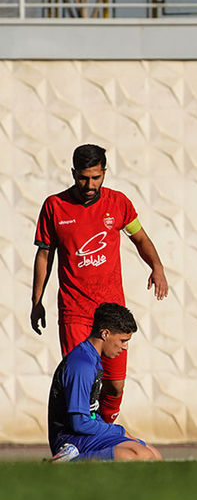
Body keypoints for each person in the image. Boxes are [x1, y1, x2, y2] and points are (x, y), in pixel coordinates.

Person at [31, 143, 169, 424]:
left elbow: (140, 238)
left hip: (111, 311)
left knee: (114, 385)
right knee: (80, 378)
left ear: (104, 172)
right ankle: (76, 439)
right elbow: (44, 254)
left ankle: (103, 432)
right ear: (73, 173)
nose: (90, 184)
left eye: (96, 177)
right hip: (75, 309)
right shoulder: (55, 207)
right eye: (83, 177)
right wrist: (36, 302)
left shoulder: (118, 204)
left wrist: (157, 266)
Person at [47, 303, 162, 462]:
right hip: (71, 439)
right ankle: (67, 461)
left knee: (153, 453)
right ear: (105, 334)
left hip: (86, 434)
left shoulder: (93, 359)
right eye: (122, 340)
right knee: (140, 455)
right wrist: (118, 431)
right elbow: (79, 423)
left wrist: (118, 432)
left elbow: (92, 414)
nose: (125, 347)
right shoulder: (82, 365)